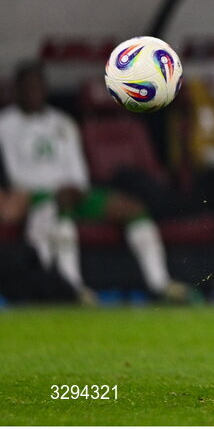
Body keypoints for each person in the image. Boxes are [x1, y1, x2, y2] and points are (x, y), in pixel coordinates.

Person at [0, 62, 186, 304]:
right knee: (58, 213)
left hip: (73, 191)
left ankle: (160, 284)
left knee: (133, 208)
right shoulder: (6, 124)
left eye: (38, 86)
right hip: (35, 195)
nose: (34, 92)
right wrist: (57, 190)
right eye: (28, 87)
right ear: (17, 90)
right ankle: (72, 288)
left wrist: (75, 187)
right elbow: (16, 174)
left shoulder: (63, 122)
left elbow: (78, 169)